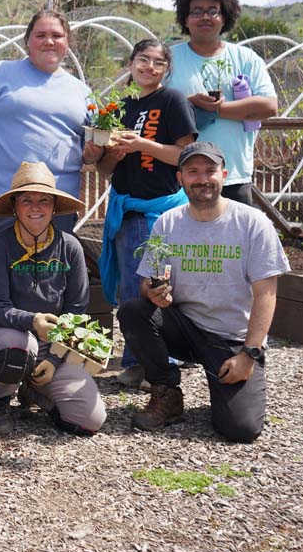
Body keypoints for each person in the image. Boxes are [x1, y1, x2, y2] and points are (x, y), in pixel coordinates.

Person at [0, 9, 104, 393]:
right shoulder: (0, 74)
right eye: (41, 34)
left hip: (56, 204)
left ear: (68, 43)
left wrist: (93, 153)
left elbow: (91, 144)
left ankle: (42, 364)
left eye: (57, 35)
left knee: (50, 282)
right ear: (27, 41)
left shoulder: (79, 90)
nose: (49, 41)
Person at [117, 142, 288, 443]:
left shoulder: (252, 223)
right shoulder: (168, 222)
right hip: (185, 326)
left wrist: (249, 355)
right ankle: (166, 394)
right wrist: (155, 294)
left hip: (232, 338)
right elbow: (147, 282)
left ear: (224, 174)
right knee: (134, 310)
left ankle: (224, 384)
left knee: (240, 428)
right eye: (193, 171)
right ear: (180, 178)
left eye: (210, 171)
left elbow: (266, 294)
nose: (202, 179)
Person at [0, 162, 106, 438]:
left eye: (44, 200)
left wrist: (53, 359)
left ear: (54, 207)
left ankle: (34, 390)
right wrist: (32, 321)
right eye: (27, 200)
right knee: (17, 343)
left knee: (90, 420)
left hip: (51, 345)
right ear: (14, 206)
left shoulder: (71, 247)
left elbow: (76, 311)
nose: (35, 208)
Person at [96, 40, 196, 389]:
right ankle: (138, 360)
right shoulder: (118, 107)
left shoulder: (172, 100)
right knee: (129, 288)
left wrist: (142, 145)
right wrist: (116, 154)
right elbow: (105, 169)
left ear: (167, 69)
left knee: (155, 285)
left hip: (160, 211)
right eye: (143, 60)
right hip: (127, 209)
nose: (149, 67)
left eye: (158, 62)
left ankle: (153, 361)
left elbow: (185, 154)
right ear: (130, 63)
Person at [166, 0, 278, 206]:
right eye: (196, 12)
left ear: (224, 18)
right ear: (185, 20)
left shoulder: (246, 58)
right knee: (179, 240)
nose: (205, 17)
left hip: (232, 174)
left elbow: (269, 106)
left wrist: (215, 110)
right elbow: (149, 104)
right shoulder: (168, 59)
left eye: (212, 11)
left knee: (235, 240)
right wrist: (189, 104)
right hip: (178, 175)